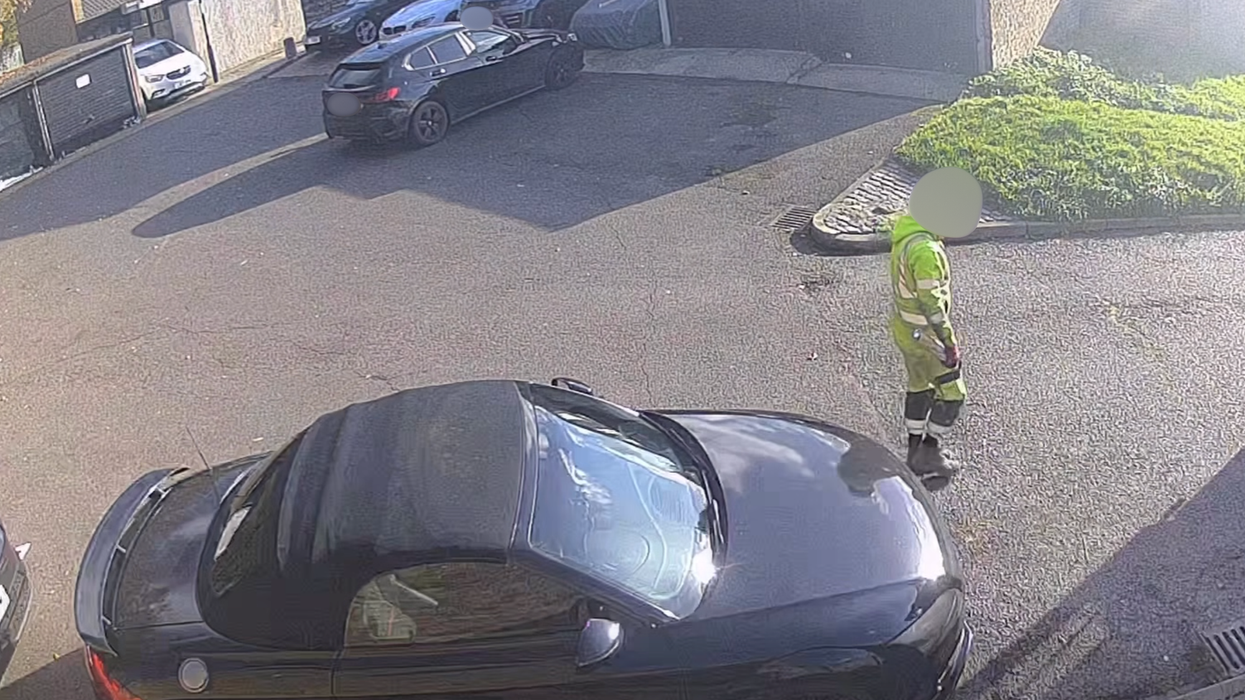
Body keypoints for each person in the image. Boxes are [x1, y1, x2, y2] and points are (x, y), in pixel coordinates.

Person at [888, 167, 981, 487]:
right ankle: (929, 454)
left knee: (920, 387)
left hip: (906, 330)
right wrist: (950, 343)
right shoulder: (926, 251)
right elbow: (932, 306)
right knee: (953, 395)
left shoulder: (907, 236)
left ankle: (914, 452)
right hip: (928, 337)